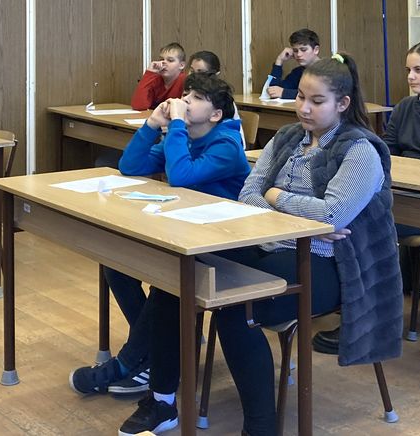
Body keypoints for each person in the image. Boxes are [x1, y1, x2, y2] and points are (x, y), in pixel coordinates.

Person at [117, 55, 402, 436]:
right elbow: (248, 194)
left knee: (238, 310)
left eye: (317, 101)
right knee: (177, 279)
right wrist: (299, 218)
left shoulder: (360, 150)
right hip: (270, 244)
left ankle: (261, 428)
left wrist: (277, 197)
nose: (304, 108)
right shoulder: (287, 137)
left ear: (343, 104)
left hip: (330, 265)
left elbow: (331, 216)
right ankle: (163, 401)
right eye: (301, 97)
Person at [70, 74, 249, 397]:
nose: (185, 101)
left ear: (215, 114)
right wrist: (152, 124)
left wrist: (176, 125)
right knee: (116, 264)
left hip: (223, 243)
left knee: (166, 279)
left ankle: (129, 362)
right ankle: (158, 350)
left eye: (196, 98)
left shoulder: (227, 145)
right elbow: (130, 166)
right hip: (184, 232)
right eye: (186, 94)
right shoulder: (181, 137)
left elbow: (181, 176)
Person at [265, 28, 321, 99]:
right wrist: (279, 61)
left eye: (303, 50)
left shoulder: (328, 70)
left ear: (316, 50)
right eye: (295, 51)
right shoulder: (298, 72)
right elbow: (273, 90)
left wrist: (284, 93)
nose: (299, 54)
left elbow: (318, 94)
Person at [130, 42, 188, 111]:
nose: (163, 63)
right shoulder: (154, 79)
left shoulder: (186, 81)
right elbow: (139, 106)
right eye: (161, 59)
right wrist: (149, 73)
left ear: (181, 65)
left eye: (170, 60)